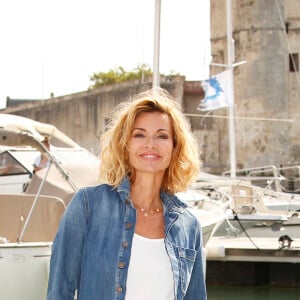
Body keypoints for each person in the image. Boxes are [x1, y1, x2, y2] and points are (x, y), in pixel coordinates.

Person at [47, 88, 207, 300]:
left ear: (175, 148)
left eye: (162, 136)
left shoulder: (189, 225)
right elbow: (60, 292)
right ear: (125, 145)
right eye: (139, 134)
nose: (151, 143)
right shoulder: (88, 206)